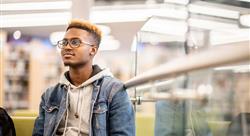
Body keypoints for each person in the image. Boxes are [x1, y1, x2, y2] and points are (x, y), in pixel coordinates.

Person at [32, 19, 135, 136]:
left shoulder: (114, 91)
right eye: (64, 43)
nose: (67, 47)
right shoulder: (50, 94)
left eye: (75, 42)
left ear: (93, 50)